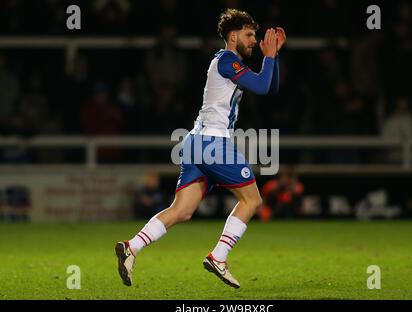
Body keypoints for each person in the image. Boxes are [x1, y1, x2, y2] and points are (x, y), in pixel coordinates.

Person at [115, 8, 286, 289]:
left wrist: (273, 56)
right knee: (252, 201)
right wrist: (269, 57)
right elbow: (263, 87)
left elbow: (271, 86)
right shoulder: (227, 60)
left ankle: (131, 247)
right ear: (233, 36)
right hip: (213, 142)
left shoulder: (228, 62)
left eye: (255, 35)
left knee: (181, 210)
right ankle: (219, 256)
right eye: (249, 34)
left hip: (196, 141)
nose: (255, 40)